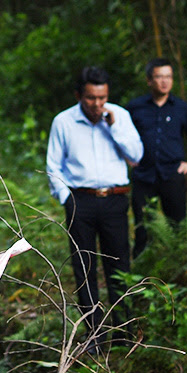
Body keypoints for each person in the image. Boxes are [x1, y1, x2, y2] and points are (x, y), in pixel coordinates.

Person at [46, 67, 144, 349]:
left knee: (119, 266)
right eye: (91, 98)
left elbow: (136, 156)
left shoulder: (120, 116)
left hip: (115, 199)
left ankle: (124, 332)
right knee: (84, 268)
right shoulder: (63, 122)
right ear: (79, 96)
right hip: (81, 201)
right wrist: (67, 198)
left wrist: (113, 127)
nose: (97, 104)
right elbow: (53, 166)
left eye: (102, 97)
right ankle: (95, 335)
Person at [125, 59, 187, 257]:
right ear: (149, 80)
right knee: (143, 227)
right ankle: (142, 269)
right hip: (144, 175)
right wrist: (127, 158)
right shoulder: (135, 108)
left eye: (168, 77)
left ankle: (179, 267)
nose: (164, 81)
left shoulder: (181, 108)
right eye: (159, 77)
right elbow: (121, 135)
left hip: (172, 174)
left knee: (177, 225)